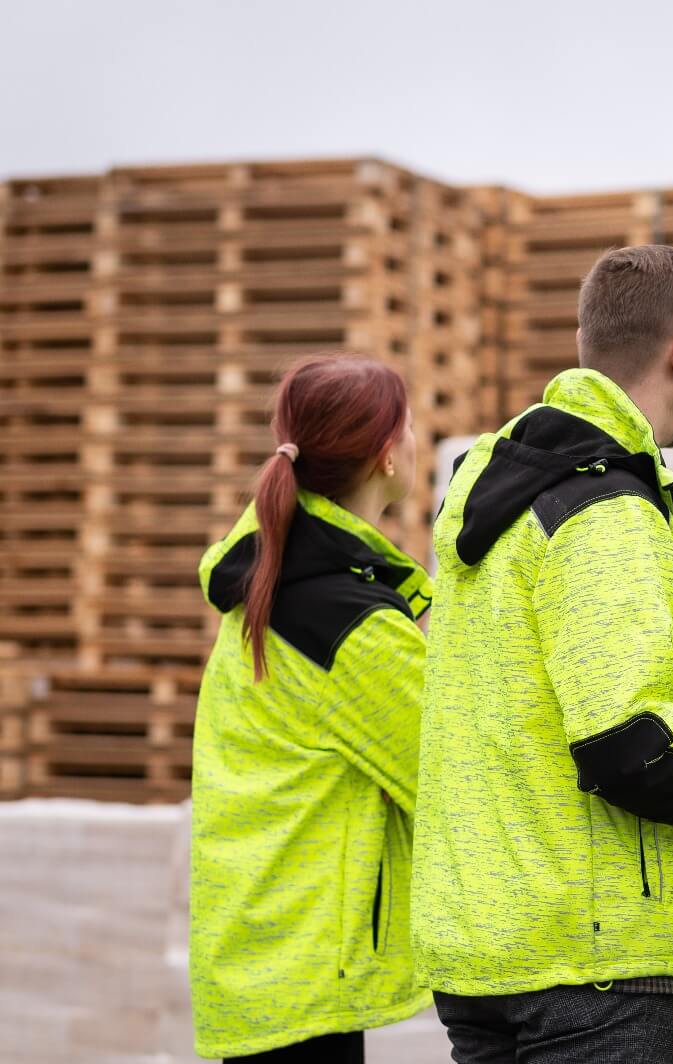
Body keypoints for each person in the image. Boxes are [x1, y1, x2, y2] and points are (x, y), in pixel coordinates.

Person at [413, 244, 673, 1063]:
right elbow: (627, 752)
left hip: (488, 941)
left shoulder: (508, 487)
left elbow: (560, 662)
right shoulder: (607, 508)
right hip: (591, 960)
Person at [190, 354, 433, 1062]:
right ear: (388, 455)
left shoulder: (274, 582)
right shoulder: (344, 621)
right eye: (411, 425)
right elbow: (452, 769)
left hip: (260, 951)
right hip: (303, 972)